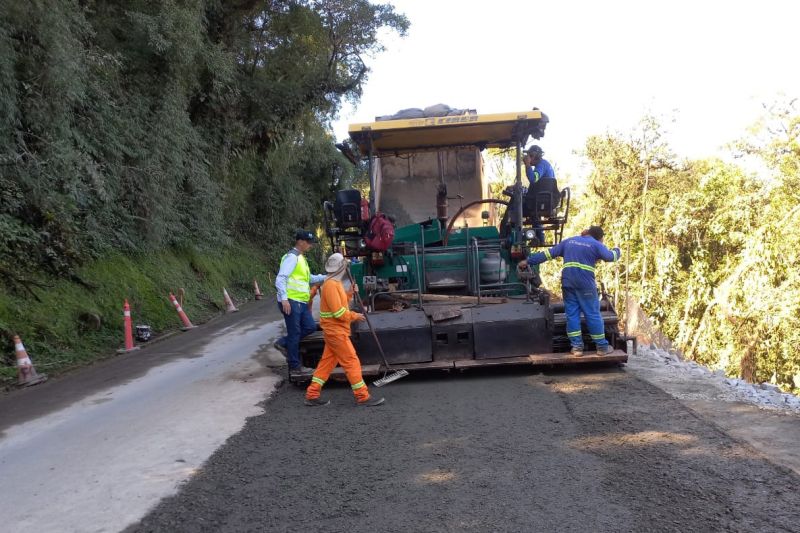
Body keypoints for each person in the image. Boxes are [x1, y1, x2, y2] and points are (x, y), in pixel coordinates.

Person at [519, 225, 621, 356]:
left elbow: (546, 254)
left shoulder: (569, 241)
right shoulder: (596, 244)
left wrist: (527, 261)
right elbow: (611, 256)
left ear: (586, 232)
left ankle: (577, 348)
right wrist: (618, 250)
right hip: (585, 284)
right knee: (592, 314)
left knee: (572, 315)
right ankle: (602, 347)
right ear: (599, 238)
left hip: (568, 283)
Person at [304, 253, 385, 407]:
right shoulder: (331, 285)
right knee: (351, 361)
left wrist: (350, 293)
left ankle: (312, 394)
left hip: (334, 332)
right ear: (342, 267)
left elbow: (340, 304)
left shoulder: (333, 283)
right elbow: (339, 313)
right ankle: (362, 396)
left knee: (326, 364)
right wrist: (355, 316)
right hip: (336, 332)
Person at [274, 229, 327, 376]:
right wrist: (284, 299)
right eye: (308, 243)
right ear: (301, 242)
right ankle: (295, 366)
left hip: (301, 302)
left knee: (310, 327)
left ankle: (283, 343)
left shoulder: (301, 258)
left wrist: (327, 277)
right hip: (291, 301)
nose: (310, 246)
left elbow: (309, 279)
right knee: (295, 332)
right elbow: (280, 278)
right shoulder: (292, 257)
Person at [523, 145, 557, 243]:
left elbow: (533, 179)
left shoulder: (542, 165)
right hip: (544, 199)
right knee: (531, 205)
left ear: (535, 156)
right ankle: (538, 237)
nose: (528, 157)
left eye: (530, 155)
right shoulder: (545, 164)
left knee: (517, 206)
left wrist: (528, 165)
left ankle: (515, 235)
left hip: (541, 201)